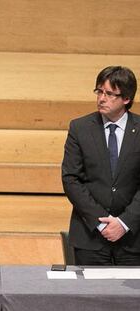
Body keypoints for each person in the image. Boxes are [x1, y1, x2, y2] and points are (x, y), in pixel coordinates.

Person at [62, 66, 140, 265]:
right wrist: (100, 222)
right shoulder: (80, 128)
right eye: (99, 91)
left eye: (110, 94)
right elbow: (71, 178)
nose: (102, 98)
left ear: (126, 99)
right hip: (90, 237)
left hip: (133, 238)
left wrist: (124, 223)